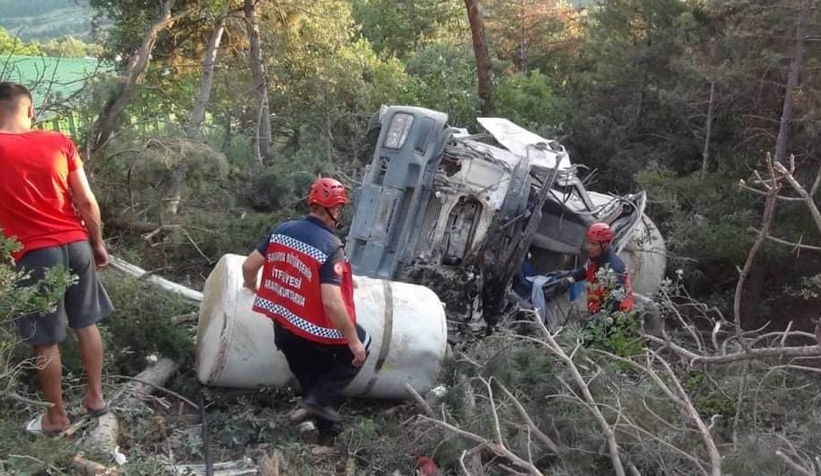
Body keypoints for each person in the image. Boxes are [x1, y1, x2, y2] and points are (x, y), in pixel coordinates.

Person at [0, 82, 113, 435]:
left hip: (35, 253)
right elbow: (87, 201)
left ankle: (56, 417)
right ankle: (95, 398)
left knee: (45, 338)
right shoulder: (59, 142)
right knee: (86, 323)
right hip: (76, 244)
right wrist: (97, 243)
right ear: (30, 110)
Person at [241, 177, 370, 436]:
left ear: (312, 204)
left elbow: (248, 265)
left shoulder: (282, 230)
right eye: (340, 209)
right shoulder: (331, 246)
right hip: (313, 331)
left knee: (315, 379)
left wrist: (251, 284)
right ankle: (316, 402)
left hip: (284, 329)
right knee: (363, 341)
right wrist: (353, 341)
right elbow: (331, 302)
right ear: (334, 210)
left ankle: (326, 431)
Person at [555, 222, 634, 315]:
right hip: (597, 308)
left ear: (604, 245)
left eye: (594, 244)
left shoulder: (614, 268)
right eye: (588, 242)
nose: (588, 247)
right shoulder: (595, 258)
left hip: (617, 317)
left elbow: (616, 299)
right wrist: (570, 280)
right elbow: (586, 269)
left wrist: (600, 316)